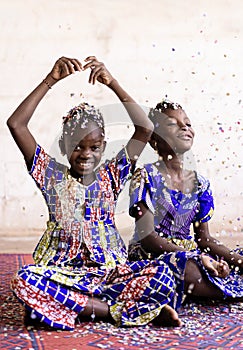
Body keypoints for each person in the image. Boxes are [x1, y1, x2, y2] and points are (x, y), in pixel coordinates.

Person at [6, 56, 189, 330]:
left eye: (94, 147)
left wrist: (112, 82)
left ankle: (68, 305)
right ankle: (112, 310)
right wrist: (50, 80)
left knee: (166, 271)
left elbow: (145, 128)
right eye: (78, 146)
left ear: (103, 148)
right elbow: (16, 124)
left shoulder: (112, 175)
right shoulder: (51, 175)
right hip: (64, 273)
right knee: (25, 279)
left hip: (110, 273)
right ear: (65, 146)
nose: (86, 154)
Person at [129, 99, 243, 302]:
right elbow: (147, 237)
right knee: (186, 269)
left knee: (236, 256)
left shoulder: (201, 184)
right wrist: (197, 257)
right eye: (172, 124)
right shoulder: (146, 176)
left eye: (188, 123)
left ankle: (209, 285)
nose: (184, 127)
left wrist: (239, 261)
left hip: (192, 253)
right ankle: (223, 290)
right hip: (154, 255)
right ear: (155, 140)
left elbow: (204, 239)